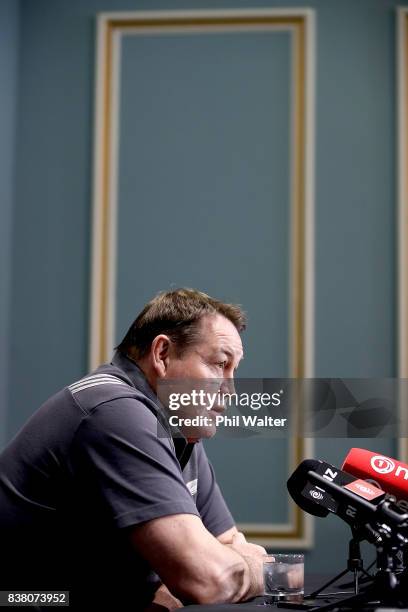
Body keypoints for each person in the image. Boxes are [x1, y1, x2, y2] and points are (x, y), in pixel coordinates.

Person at [0, 288, 267, 610]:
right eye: (219, 364)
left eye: (234, 370)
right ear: (163, 355)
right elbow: (210, 579)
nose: (231, 389)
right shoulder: (113, 411)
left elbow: (225, 542)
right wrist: (257, 565)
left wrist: (220, 564)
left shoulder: (178, 426)